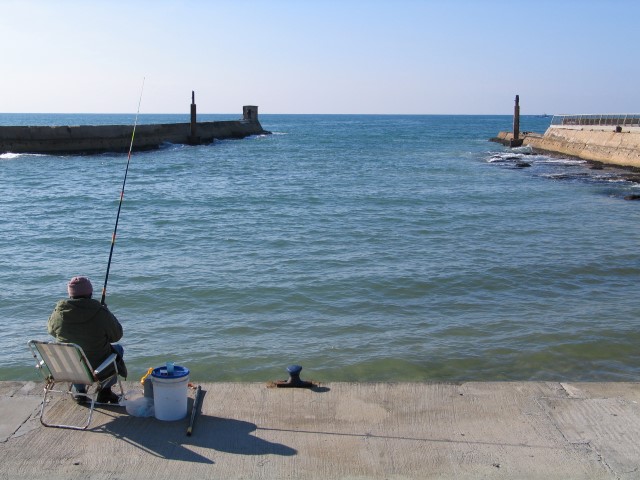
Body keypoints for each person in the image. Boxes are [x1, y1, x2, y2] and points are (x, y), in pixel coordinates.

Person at [48, 276, 127, 404]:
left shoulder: (58, 312)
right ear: (90, 293)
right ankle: (105, 392)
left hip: (69, 366)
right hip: (96, 367)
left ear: (70, 293)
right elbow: (116, 336)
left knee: (74, 357)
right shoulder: (100, 312)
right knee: (118, 349)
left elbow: (51, 331)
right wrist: (106, 312)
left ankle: (80, 392)